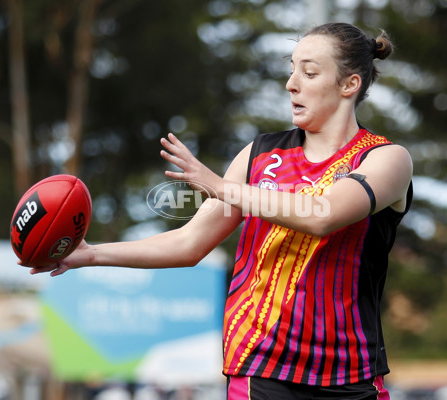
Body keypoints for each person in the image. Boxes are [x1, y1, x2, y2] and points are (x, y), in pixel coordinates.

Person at [28, 22, 413, 400]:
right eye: (291, 68)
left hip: (351, 372)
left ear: (350, 85)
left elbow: (322, 214)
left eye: (309, 72)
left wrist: (221, 187)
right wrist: (93, 254)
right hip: (260, 363)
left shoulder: (386, 159)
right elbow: (190, 241)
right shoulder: (262, 155)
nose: (291, 83)